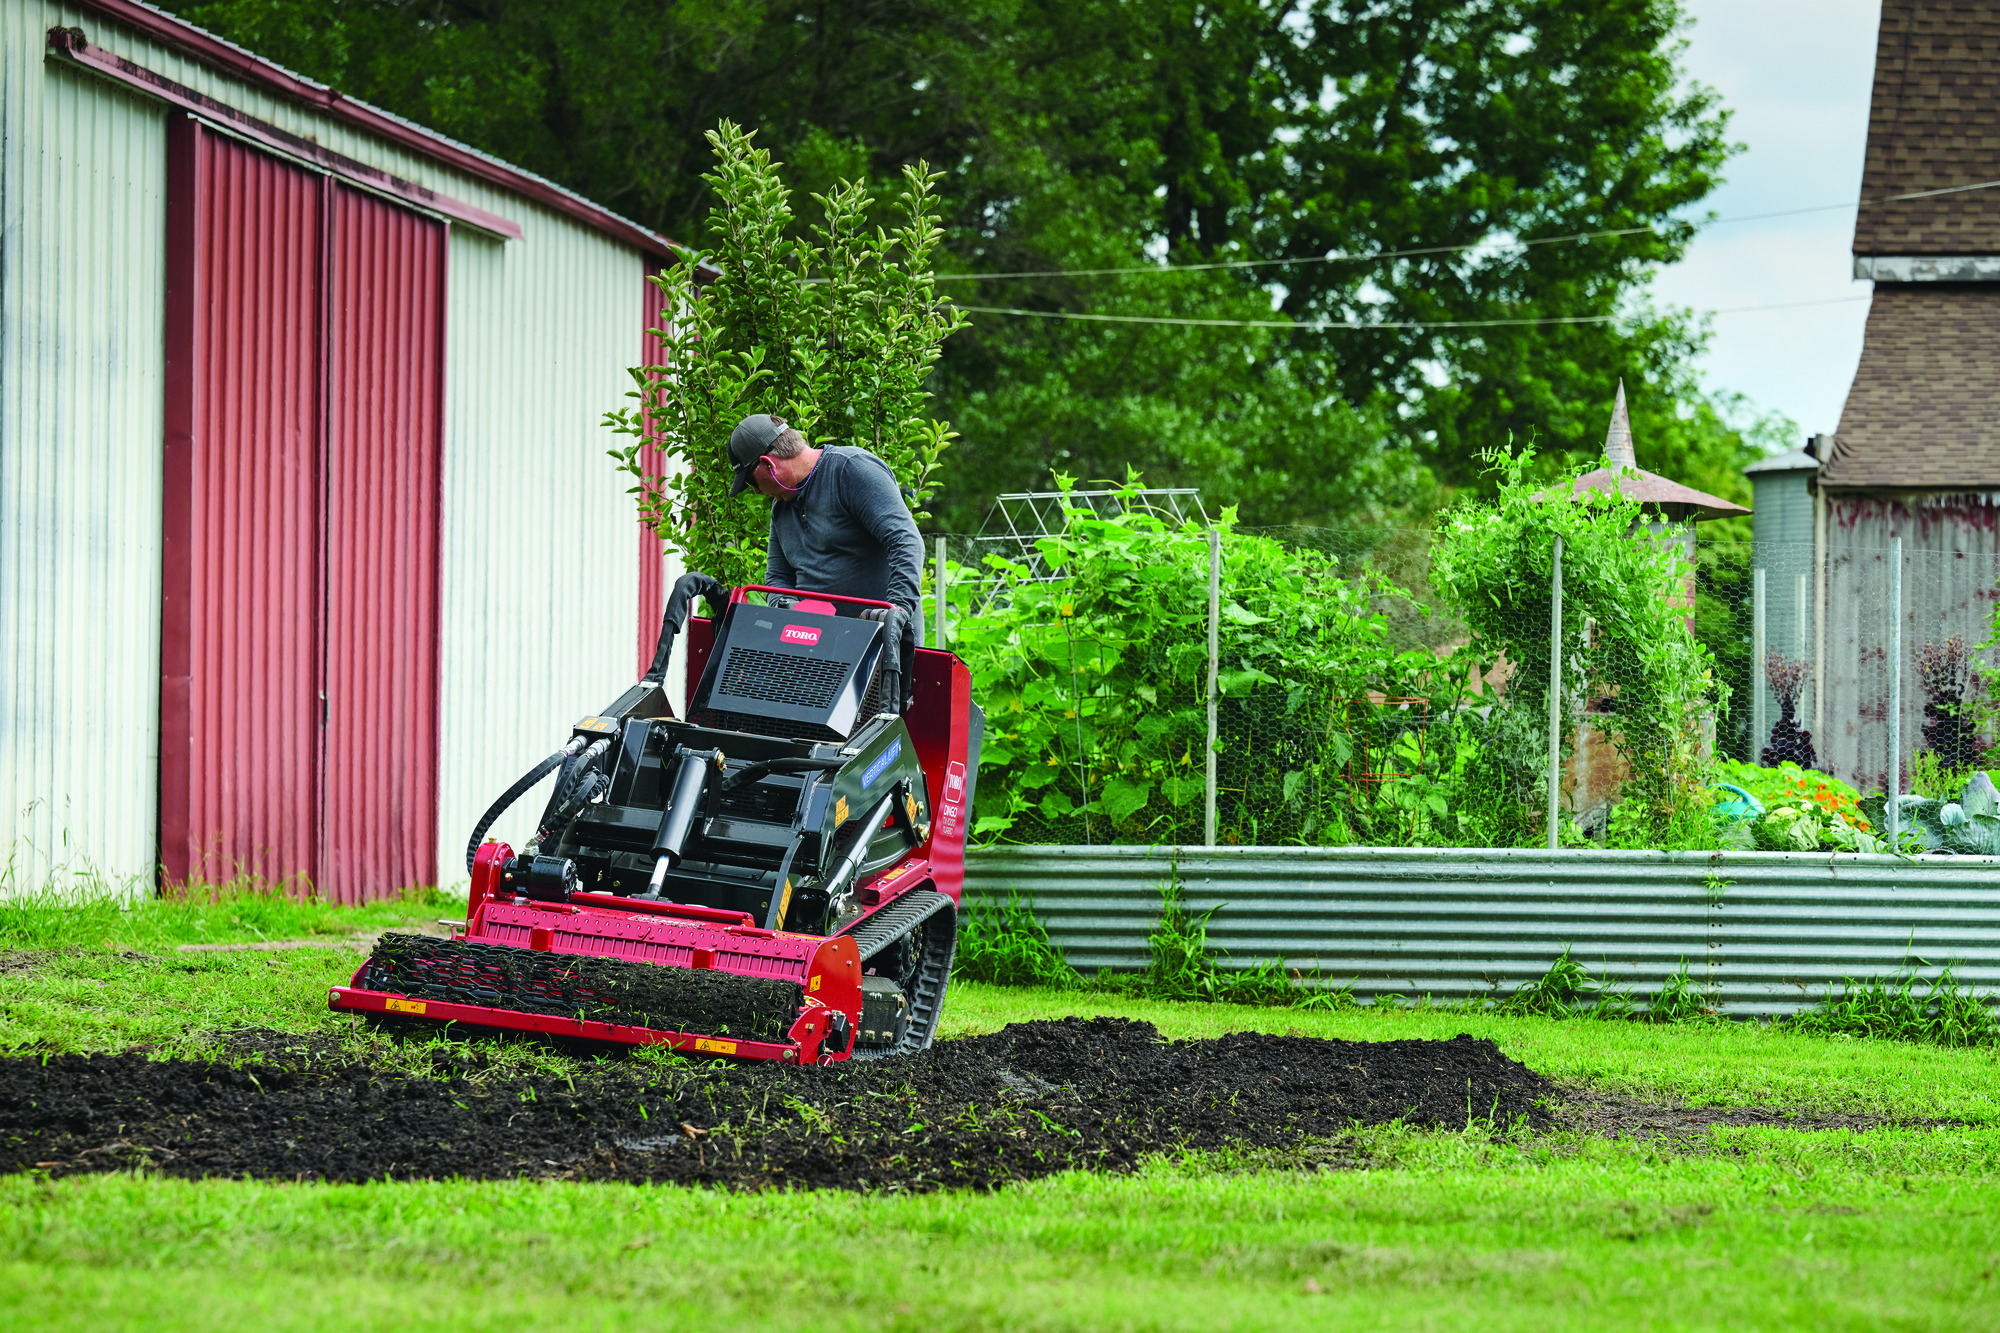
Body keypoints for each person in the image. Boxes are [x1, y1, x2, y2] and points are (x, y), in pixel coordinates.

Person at [728, 413, 926, 639]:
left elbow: (906, 541)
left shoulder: (851, 471)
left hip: (881, 643)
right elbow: (777, 579)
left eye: (751, 482)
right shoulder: (781, 508)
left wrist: (897, 609)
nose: (755, 491)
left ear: (768, 464)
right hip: (816, 646)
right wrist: (789, 613)